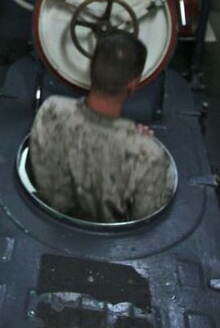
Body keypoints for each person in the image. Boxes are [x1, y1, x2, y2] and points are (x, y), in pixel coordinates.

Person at [29, 30, 174, 223]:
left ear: (91, 69)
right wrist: (141, 144)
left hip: (47, 225)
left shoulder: (50, 110)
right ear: (133, 85)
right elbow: (145, 222)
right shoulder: (148, 155)